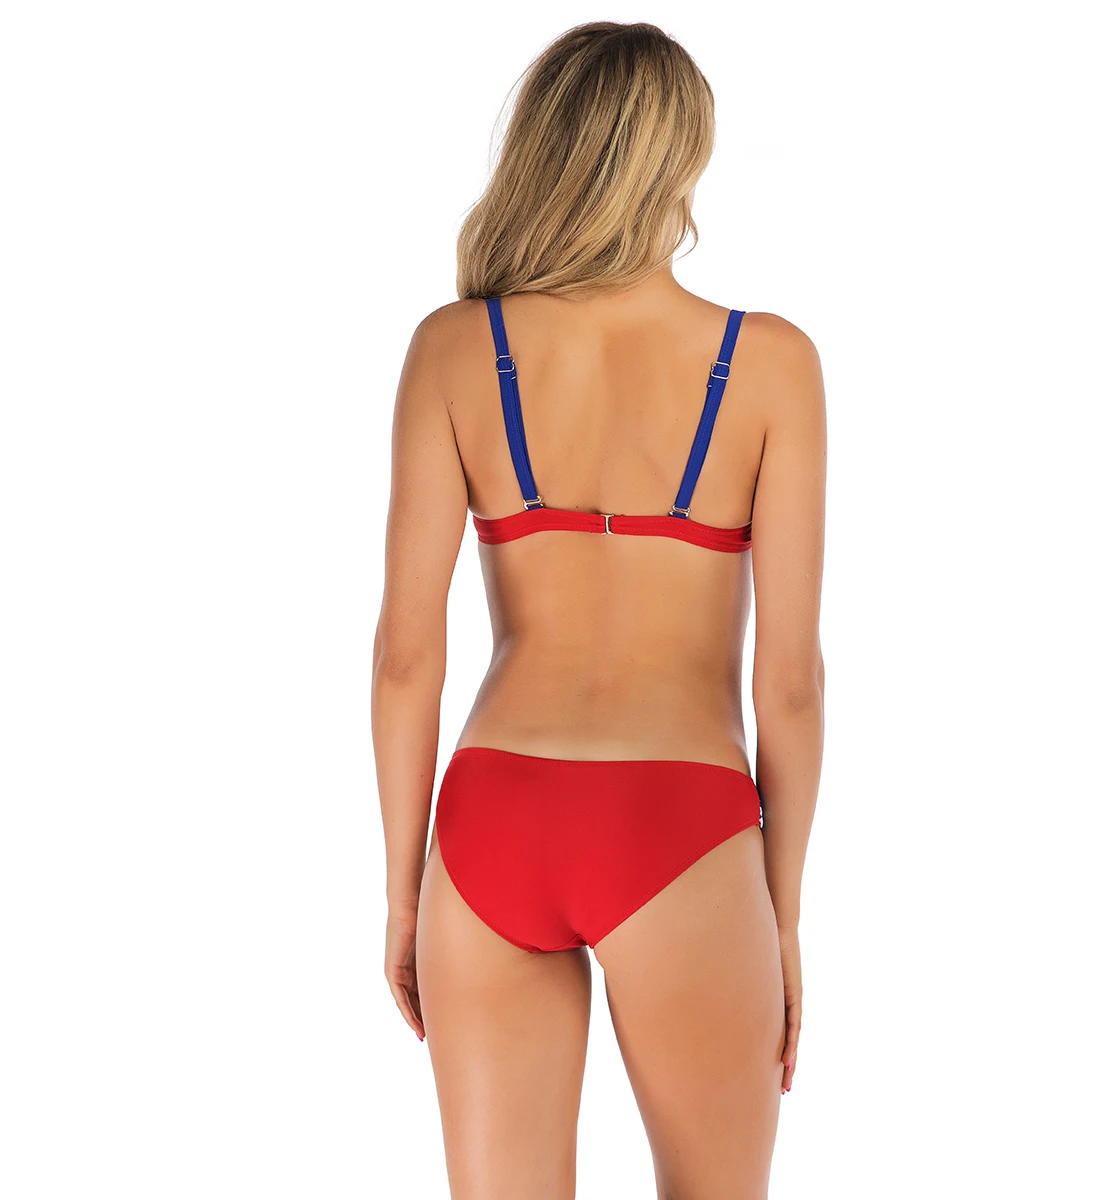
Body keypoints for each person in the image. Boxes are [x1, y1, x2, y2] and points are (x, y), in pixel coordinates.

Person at [372, 20, 825, 1199]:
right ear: (680, 158)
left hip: (492, 820)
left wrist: (405, 891)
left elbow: (407, 656)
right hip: (682, 823)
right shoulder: (769, 363)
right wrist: (781, 914)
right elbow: (789, 683)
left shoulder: (454, 349)